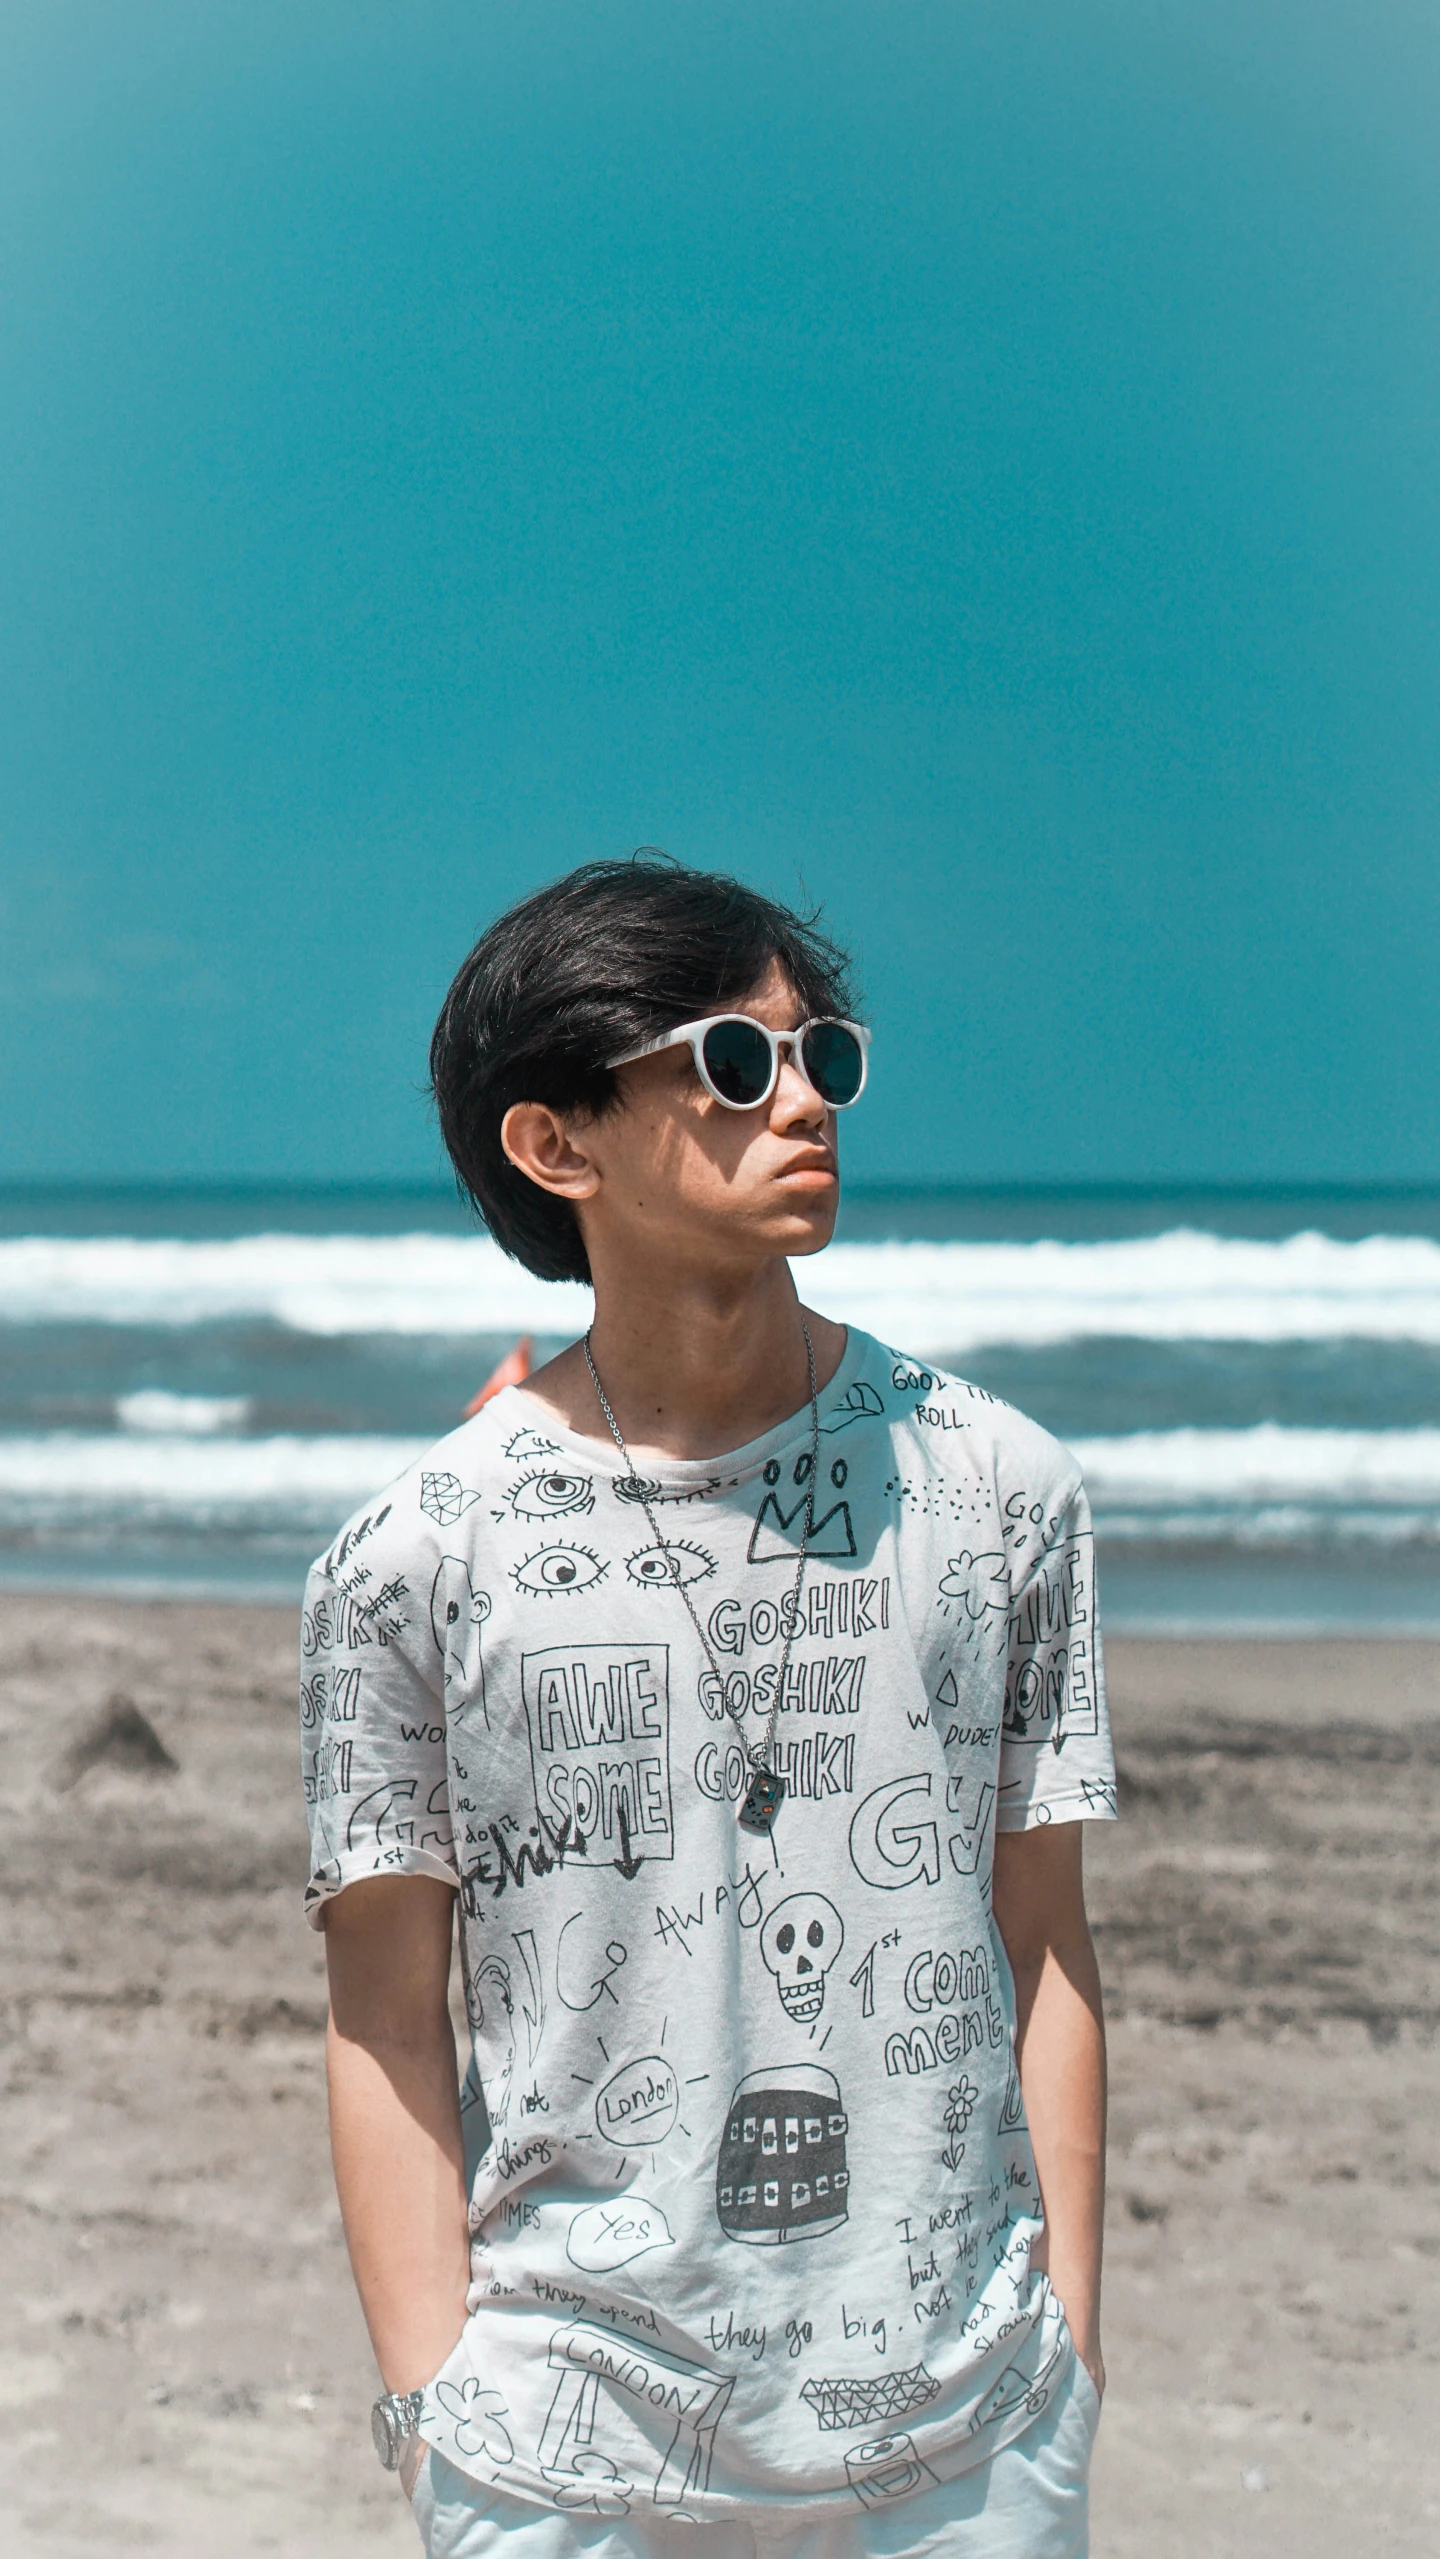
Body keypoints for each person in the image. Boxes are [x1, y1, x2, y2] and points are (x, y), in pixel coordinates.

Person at [301, 856, 1114, 2559]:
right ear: (557, 1140)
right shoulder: (414, 1560)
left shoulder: (998, 1488)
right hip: (558, 2458)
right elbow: (384, 2019)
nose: (805, 1098)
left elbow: (1043, 1942)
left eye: (826, 1054)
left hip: (965, 2440)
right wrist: (430, 2420)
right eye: (734, 1066)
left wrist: (1069, 2366)